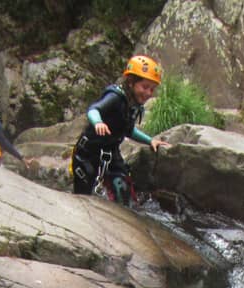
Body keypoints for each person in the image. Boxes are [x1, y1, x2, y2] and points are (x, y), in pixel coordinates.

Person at [70, 54, 170, 203]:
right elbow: (93, 109)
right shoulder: (115, 97)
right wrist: (98, 122)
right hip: (88, 154)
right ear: (130, 82)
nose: (149, 93)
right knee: (83, 195)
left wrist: (150, 141)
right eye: (145, 87)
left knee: (123, 190)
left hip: (110, 153)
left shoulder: (133, 105)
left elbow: (129, 131)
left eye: (152, 89)